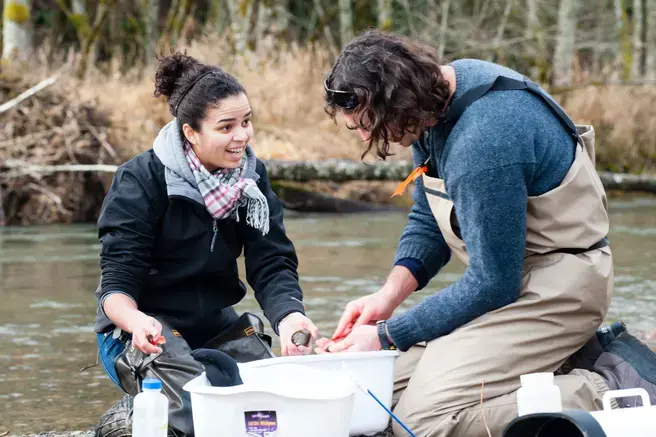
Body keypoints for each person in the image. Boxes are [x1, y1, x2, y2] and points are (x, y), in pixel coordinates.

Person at [318, 29, 656, 437]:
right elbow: (428, 220)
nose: (367, 138)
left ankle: (615, 386)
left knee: (419, 422)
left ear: (398, 99)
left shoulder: (485, 141)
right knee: (376, 393)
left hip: (561, 288)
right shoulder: (434, 99)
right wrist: (385, 299)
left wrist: (389, 335)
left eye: (369, 124)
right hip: (512, 281)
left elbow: (493, 284)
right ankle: (564, 362)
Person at [92, 51, 317, 437]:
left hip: (213, 326)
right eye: (226, 127)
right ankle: (132, 416)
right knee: (205, 416)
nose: (242, 136)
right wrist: (136, 322)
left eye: (246, 122)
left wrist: (289, 317)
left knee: (271, 407)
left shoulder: (251, 179)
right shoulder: (140, 180)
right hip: (142, 330)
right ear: (190, 133)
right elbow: (115, 289)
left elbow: (272, 263)